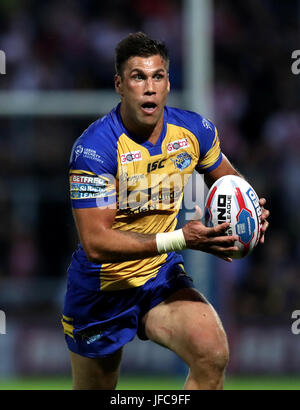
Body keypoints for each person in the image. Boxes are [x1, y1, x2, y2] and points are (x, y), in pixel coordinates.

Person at [62, 32, 269, 390]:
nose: (149, 87)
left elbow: (231, 180)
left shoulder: (194, 130)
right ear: (119, 85)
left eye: (157, 76)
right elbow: (96, 242)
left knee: (212, 353)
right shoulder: (94, 151)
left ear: (168, 83)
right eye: (138, 77)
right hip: (102, 289)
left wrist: (249, 209)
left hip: (160, 279)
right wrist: (181, 238)